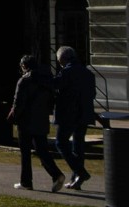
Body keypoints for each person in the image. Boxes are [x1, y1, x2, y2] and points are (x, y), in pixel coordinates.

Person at [8, 54, 66, 193]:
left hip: (26, 121)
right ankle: (56, 174)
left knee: (25, 153)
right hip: (41, 119)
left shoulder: (24, 81)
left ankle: (26, 181)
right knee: (42, 150)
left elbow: (18, 103)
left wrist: (13, 116)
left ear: (24, 66)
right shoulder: (47, 80)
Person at [53, 45, 96, 190]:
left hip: (68, 114)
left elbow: (55, 86)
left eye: (59, 61)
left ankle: (80, 172)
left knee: (61, 143)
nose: (59, 63)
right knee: (78, 146)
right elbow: (93, 94)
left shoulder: (66, 72)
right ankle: (76, 178)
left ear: (63, 59)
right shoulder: (88, 73)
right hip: (84, 114)